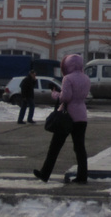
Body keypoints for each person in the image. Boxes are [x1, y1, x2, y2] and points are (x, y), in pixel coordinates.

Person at [34, 53, 90, 184]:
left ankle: (45, 173)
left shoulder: (68, 78)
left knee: (55, 147)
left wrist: (55, 94)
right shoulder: (86, 78)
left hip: (67, 116)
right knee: (80, 148)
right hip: (81, 115)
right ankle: (82, 176)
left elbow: (66, 98)